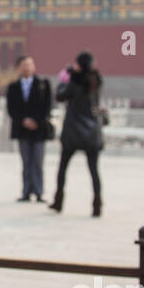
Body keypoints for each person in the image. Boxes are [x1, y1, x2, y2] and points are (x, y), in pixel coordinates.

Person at [50, 51, 104, 217]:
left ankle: (58, 201)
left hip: (73, 132)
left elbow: (59, 96)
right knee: (94, 171)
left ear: (79, 65)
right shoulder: (97, 81)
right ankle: (97, 205)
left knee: (63, 167)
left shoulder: (74, 83)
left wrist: (64, 79)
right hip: (92, 132)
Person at [6, 55, 53, 202]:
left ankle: (39, 192)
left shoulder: (43, 85)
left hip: (39, 129)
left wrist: (36, 121)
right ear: (19, 68)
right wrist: (23, 121)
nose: (27, 67)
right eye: (24, 65)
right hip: (22, 129)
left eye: (29, 64)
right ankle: (26, 191)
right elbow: (11, 109)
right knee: (26, 161)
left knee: (38, 161)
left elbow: (47, 106)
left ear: (33, 67)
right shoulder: (13, 87)